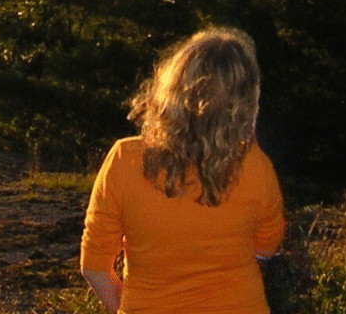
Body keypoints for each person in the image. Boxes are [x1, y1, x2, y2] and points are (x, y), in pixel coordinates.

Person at [79, 27, 287, 314]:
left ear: (171, 86)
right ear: (246, 102)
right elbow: (266, 247)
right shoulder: (256, 166)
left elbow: (94, 267)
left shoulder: (125, 160)